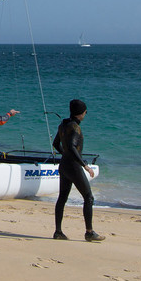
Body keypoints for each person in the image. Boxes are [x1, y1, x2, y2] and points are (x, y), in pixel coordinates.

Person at [52, 99, 103, 242]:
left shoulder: (63, 125)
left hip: (64, 166)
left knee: (62, 198)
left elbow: (56, 144)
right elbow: (72, 146)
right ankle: (89, 232)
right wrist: (84, 165)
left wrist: (65, 155)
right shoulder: (75, 127)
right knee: (89, 197)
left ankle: (58, 231)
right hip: (73, 167)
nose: (85, 114)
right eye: (85, 111)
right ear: (81, 113)